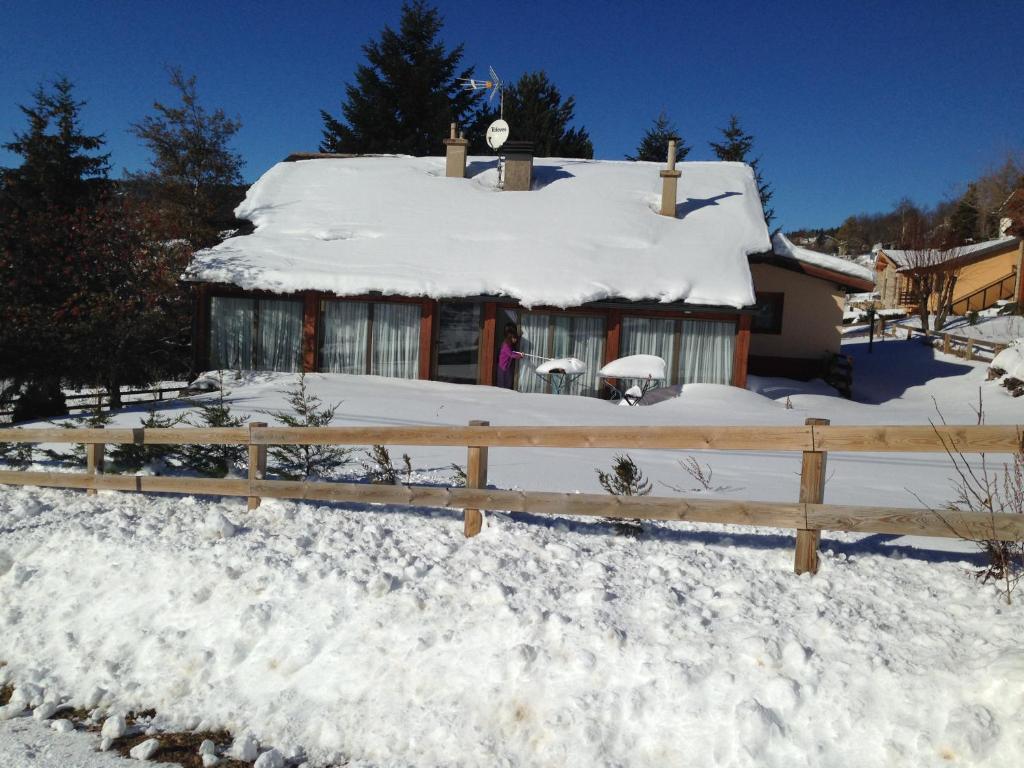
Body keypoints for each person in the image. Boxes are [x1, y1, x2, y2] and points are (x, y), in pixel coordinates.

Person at [497, 323, 524, 389]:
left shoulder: (510, 345)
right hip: (502, 367)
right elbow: (511, 354)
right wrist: (520, 355)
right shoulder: (505, 345)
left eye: (516, 338)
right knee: (502, 385)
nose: (515, 340)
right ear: (510, 338)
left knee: (508, 383)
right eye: (514, 338)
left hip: (507, 367)